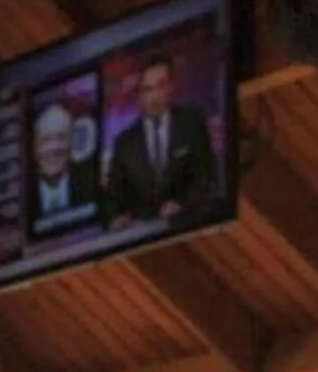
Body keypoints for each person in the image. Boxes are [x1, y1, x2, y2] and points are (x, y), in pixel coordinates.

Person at [104, 54, 220, 227]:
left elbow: (205, 175)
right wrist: (119, 218)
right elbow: (114, 196)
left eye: (160, 86)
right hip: (142, 230)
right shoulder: (125, 143)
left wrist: (182, 205)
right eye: (147, 89)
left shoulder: (191, 122)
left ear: (171, 88)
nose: (154, 96)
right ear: (140, 95)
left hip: (189, 220)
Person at [25, 98, 101, 237]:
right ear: (34, 147)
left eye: (61, 137)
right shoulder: (24, 198)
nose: (54, 148)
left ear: (72, 143)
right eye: (46, 140)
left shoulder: (91, 187)